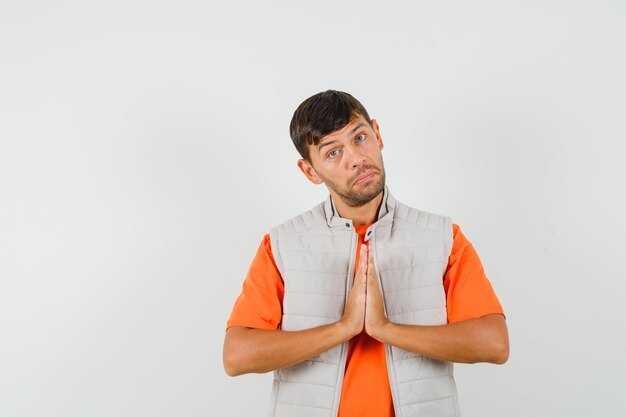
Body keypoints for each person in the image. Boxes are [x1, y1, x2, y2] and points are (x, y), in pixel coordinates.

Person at [223, 90, 509, 417]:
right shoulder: (283, 245)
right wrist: (343, 327)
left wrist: (385, 329)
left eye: (360, 137)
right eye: (333, 153)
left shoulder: (442, 238)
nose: (357, 158)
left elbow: (494, 344)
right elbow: (237, 356)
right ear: (310, 172)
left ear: (378, 134)